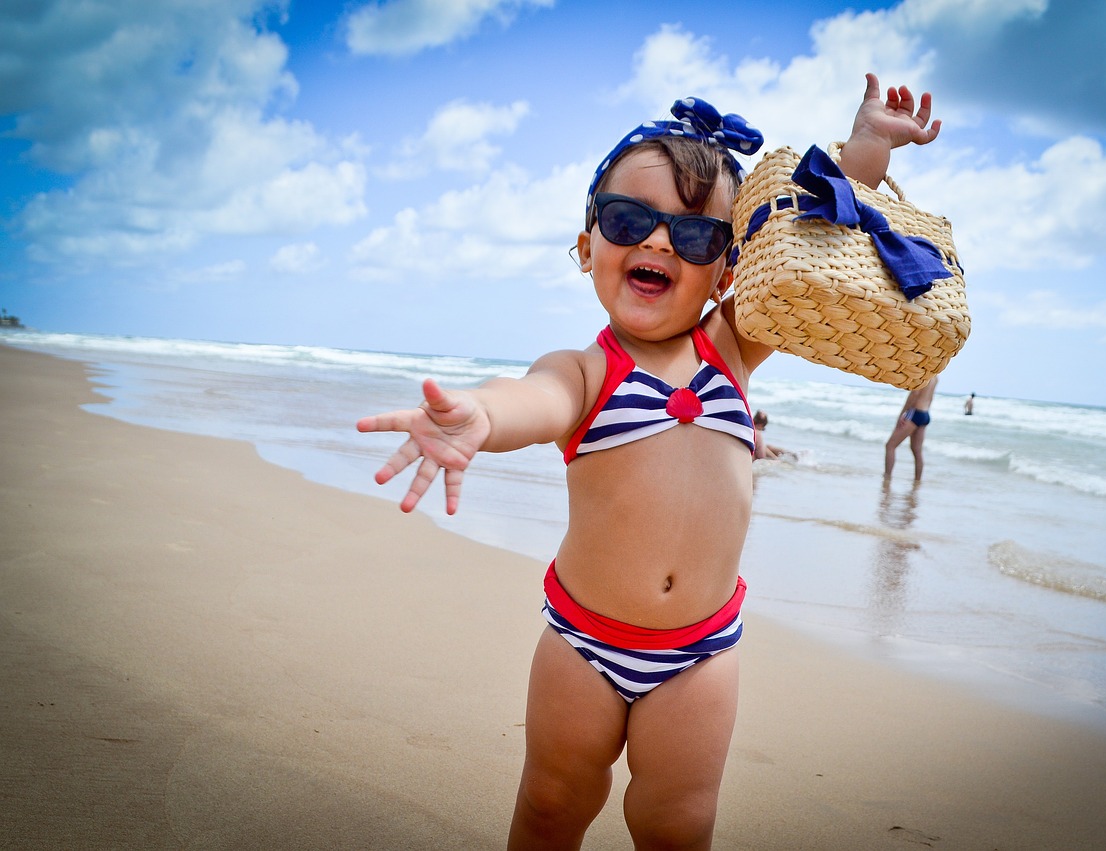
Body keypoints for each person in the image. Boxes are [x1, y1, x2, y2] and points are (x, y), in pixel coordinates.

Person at [357, 73, 941, 850]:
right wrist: (479, 417)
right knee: (551, 804)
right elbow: (528, 400)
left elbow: (807, 239)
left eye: (696, 236)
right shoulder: (583, 370)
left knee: (678, 822)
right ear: (587, 242)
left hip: (700, 652)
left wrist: (867, 144)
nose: (660, 241)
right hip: (583, 643)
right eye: (631, 219)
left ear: (727, 270)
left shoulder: (732, 346)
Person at [884, 375, 938, 482]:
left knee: (890, 446)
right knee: (917, 451)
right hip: (925, 413)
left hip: (915, 412)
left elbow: (915, 394)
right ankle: (917, 482)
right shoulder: (935, 377)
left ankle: (887, 478)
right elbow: (931, 397)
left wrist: (902, 413)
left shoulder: (922, 374)